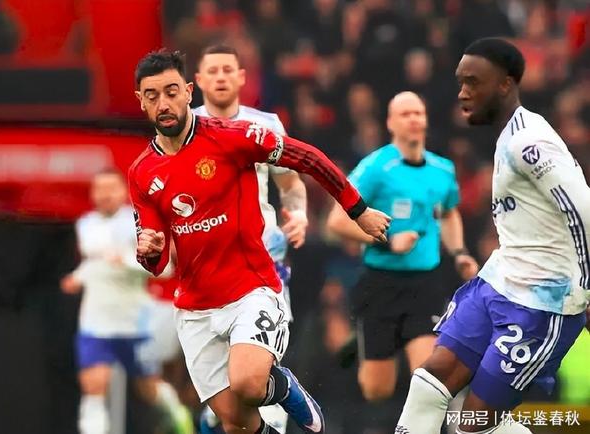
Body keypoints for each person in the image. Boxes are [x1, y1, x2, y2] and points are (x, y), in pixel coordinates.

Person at [129, 49, 391, 434]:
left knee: (249, 384)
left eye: (171, 92)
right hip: (195, 307)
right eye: (152, 96)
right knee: (236, 422)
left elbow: (308, 158)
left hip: (251, 289)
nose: (163, 103)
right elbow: (156, 256)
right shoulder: (141, 172)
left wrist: (358, 210)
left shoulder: (233, 135)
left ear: (188, 92)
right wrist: (148, 253)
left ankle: (283, 385)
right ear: (141, 101)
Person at [394, 38, 590, 434]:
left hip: (541, 303)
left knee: (475, 423)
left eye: (474, 82)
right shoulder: (508, 135)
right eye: (460, 82)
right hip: (499, 281)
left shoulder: (529, 143)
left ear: (505, 84)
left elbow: (582, 208)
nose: (463, 93)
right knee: (429, 383)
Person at [327, 91, 479, 402]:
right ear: (390, 123)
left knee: (428, 378)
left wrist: (459, 252)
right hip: (381, 283)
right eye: (405, 114)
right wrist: (386, 241)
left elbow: (448, 213)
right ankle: (368, 344)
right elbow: (336, 221)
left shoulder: (442, 170)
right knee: (377, 390)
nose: (413, 119)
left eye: (418, 113)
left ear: (426, 120)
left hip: (424, 284)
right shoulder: (375, 167)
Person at [192, 43, 308, 434]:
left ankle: (274, 407)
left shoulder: (266, 125)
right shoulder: (185, 129)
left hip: (263, 260)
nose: (221, 77)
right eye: (213, 70)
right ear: (199, 80)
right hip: (208, 267)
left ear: (242, 78)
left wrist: (299, 214)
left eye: (228, 69)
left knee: (260, 369)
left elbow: (290, 183)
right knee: (227, 398)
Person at [60, 169, 192, 434]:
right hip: (96, 322)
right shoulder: (85, 224)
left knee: (148, 388)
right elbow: (94, 262)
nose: (105, 195)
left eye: (111, 188)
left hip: (135, 322)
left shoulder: (140, 223)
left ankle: (178, 415)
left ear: (123, 191)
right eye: (100, 189)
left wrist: (128, 262)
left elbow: (165, 269)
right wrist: (78, 277)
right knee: (94, 386)